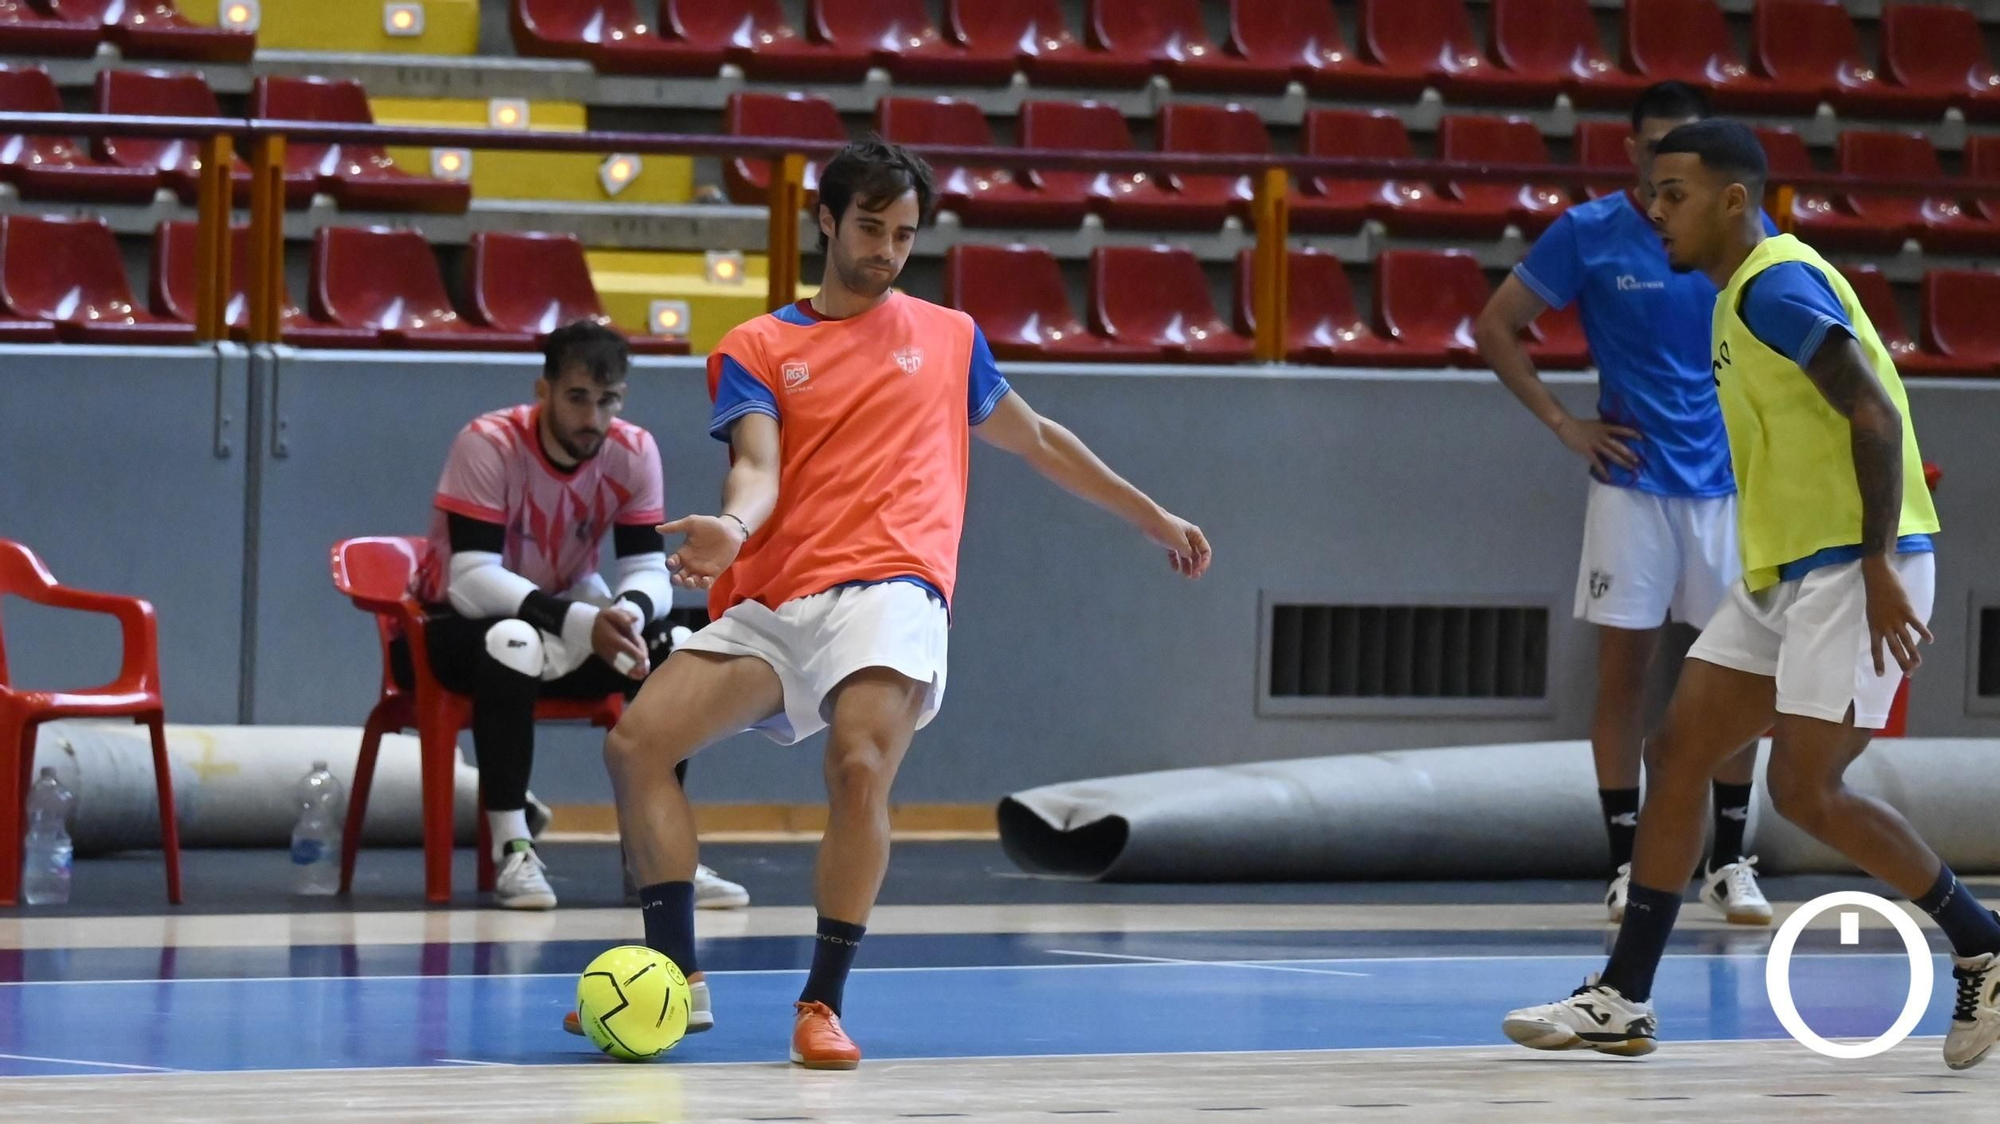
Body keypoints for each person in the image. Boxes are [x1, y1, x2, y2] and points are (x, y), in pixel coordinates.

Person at [561, 138, 1213, 1068]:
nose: (888, 250)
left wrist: (1150, 515)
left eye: (905, 233)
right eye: (871, 227)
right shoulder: (758, 347)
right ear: (827, 221)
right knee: (637, 745)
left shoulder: (950, 338)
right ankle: (676, 980)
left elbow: (1038, 440)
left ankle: (820, 1003)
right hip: (779, 594)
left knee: (859, 762)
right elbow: (756, 464)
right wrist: (737, 534)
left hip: (894, 584)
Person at [1501, 119, 1999, 1069]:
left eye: (1674, 193)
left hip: (1857, 565)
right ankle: (1624, 997)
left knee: (1805, 791)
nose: (1654, 210)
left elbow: (1872, 407)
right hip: (1785, 570)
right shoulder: (1734, 293)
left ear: (1733, 198)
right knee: (1678, 749)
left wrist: (1882, 561)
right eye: (1651, 191)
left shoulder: (1774, 284)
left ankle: (1985, 945)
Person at [1474, 81, 1771, 926]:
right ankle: (1623, 864)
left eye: (1685, 150)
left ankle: (1730, 862)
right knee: (1625, 678)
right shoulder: (1588, 232)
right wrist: (1566, 423)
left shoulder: (1749, 240)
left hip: (1725, 492)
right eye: (1655, 151)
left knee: (1739, 677)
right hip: (1631, 489)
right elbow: (1497, 326)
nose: (1667, 168)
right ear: (1631, 152)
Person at [418, 319, 748, 911]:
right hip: (455, 632)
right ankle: (513, 850)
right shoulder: (487, 442)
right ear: (543, 391)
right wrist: (581, 624)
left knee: (674, 642)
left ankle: (656, 856)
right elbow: (470, 577)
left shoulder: (632, 450)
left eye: (608, 401)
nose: (592, 419)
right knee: (512, 638)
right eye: (576, 398)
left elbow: (649, 570)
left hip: (568, 624)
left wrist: (625, 615)